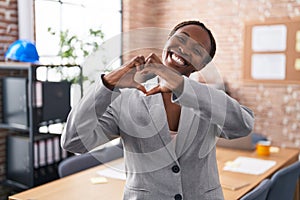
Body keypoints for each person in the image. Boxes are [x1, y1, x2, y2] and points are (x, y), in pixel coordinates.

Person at [61, 20, 254, 200]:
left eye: (197, 49)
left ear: (201, 65)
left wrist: (174, 80)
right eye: (181, 39)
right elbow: (74, 141)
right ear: (167, 41)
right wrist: (109, 84)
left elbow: (243, 125)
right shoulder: (125, 99)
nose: (184, 49)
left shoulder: (207, 99)